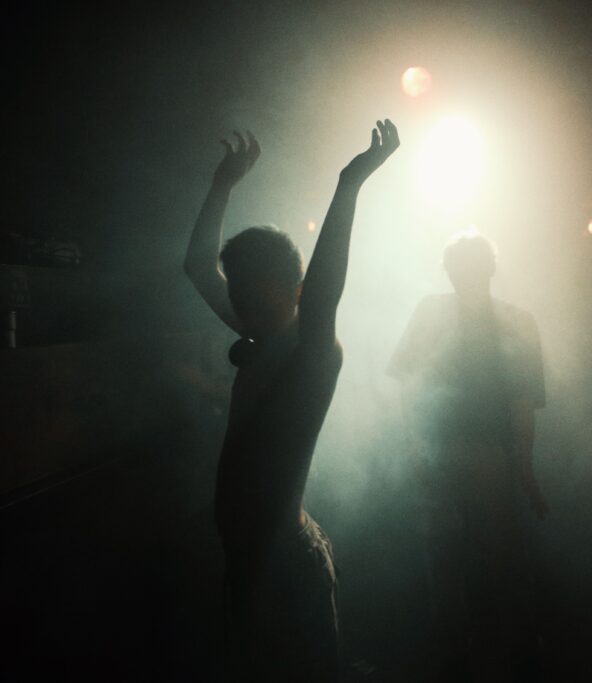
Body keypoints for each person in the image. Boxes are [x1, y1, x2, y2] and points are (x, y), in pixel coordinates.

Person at [184, 120, 399, 681]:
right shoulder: (262, 335)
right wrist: (223, 185)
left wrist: (349, 185)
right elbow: (198, 268)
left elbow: (324, 295)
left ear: (295, 292)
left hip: (283, 565)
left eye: (253, 291)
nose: (238, 302)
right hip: (251, 565)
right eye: (237, 289)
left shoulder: (310, 351)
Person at [387, 230, 547, 679]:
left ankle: (486, 656)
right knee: (457, 562)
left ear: (489, 268)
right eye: (459, 267)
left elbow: (522, 401)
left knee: (480, 562)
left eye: (470, 266)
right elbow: (408, 384)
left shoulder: (516, 321)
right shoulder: (439, 313)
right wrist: (417, 446)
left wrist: (523, 465)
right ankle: (470, 656)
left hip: (483, 456)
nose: (464, 275)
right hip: (454, 455)